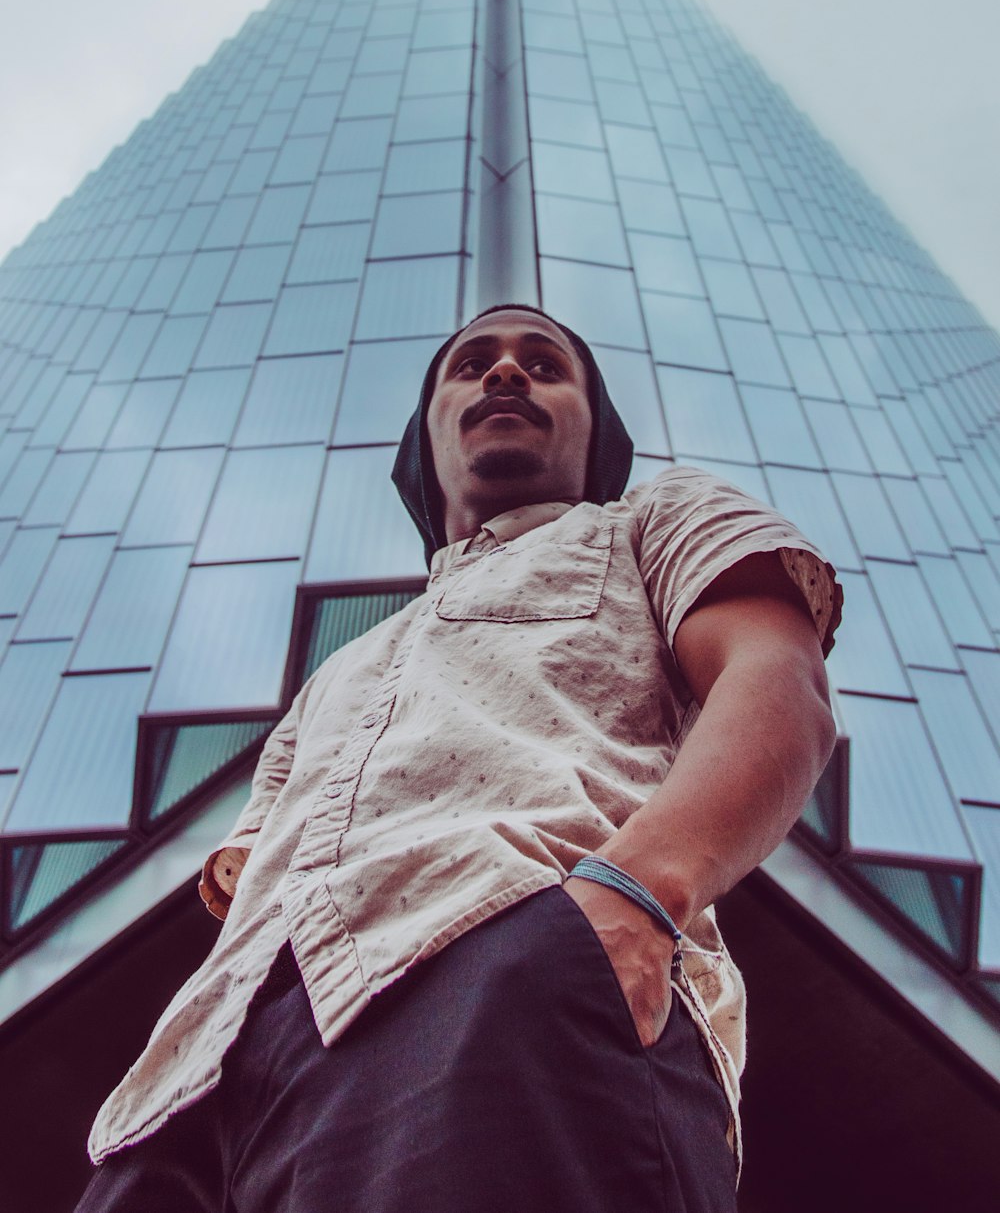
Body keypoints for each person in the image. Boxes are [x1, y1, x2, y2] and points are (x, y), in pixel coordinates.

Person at [79, 303, 842, 1213]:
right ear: (426, 439)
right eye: (473, 362)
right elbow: (252, 872)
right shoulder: (341, 669)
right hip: (198, 1086)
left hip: (507, 963)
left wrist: (635, 896)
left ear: (597, 436)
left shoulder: (652, 521)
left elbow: (776, 684)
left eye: (545, 364)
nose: (507, 373)